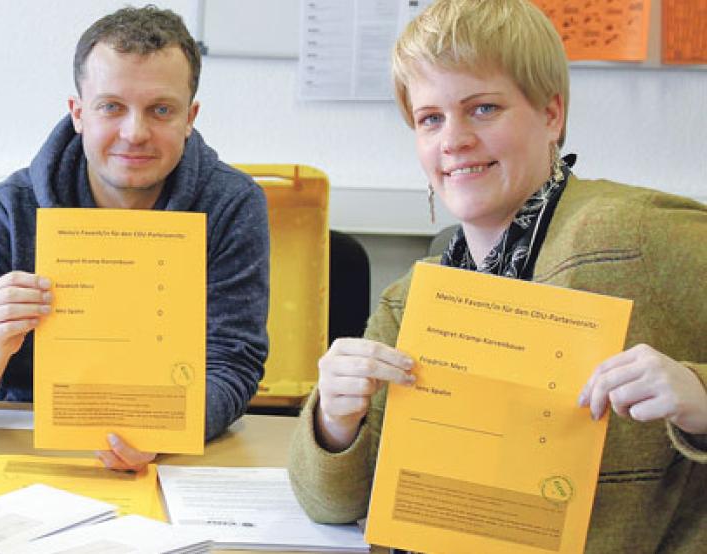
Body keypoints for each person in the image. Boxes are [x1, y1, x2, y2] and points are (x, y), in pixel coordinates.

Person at [288, 0, 706, 551]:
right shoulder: (412, 298)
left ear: (551, 114)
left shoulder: (637, 236)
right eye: (430, 119)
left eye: (483, 109)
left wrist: (699, 396)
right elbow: (329, 503)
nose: (452, 139)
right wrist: (335, 423)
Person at [0, 5, 269, 471]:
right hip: (23, 449)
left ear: (190, 117)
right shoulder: (9, 207)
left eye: (161, 110)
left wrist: (160, 432)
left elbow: (231, 366)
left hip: (163, 460)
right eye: (111, 107)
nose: (135, 132)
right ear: (79, 113)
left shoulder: (231, 204)